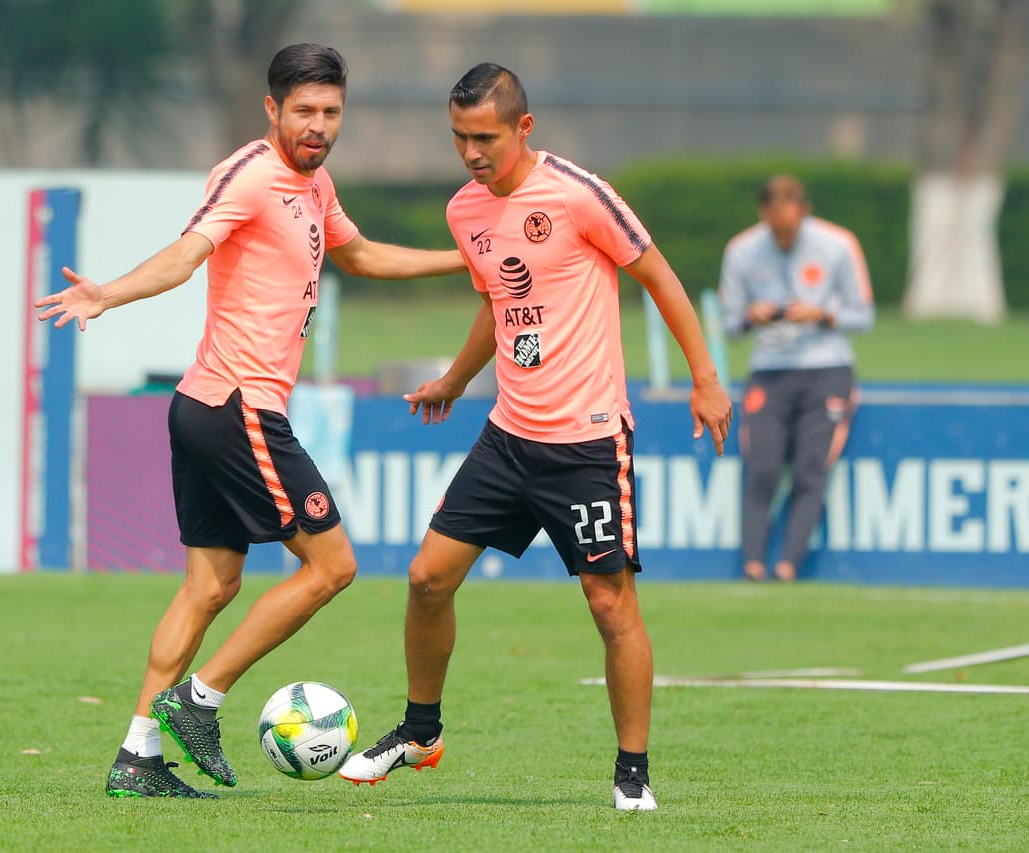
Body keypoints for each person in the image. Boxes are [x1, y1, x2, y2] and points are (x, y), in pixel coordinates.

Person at [36, 43, 466, 800]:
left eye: (331, 112)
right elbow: (185, 254)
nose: (319, 125)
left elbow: (359, 256)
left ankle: (138, 754)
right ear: (272, 110)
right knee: (333, 565)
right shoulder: (250, 174)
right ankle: (199, 701)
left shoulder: (316, 184)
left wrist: (463, 258)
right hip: (239, 409)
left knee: (209, 585)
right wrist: (110, 294)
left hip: (207, 409)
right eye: (304, 111)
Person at [337, 63, 732, 812]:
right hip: (508, 437)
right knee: (427, 578)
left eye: (484, 136)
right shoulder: (466, 210)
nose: (471, 152)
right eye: (458, 137)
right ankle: (422, 732)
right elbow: (498, 302)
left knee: (611, 605)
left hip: (586, 443)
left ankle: (633, 775)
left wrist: (705, 375)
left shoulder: (580, 195)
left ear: (524, 127)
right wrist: (456, 379)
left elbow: (660, 277)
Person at [718, 175, 874, 582]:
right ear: (763, 216)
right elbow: (728, 324)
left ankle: (789, 563)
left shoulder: (838, 244)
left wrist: (821, 314)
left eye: (789, 227)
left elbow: (864, 315)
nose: (782, 235)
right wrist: (749, 316)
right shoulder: (742, 250)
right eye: (774, 227)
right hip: (769, 368)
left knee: (810, 470)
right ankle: (752, 562)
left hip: (826, 367)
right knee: (763, 468)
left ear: (804, 211)